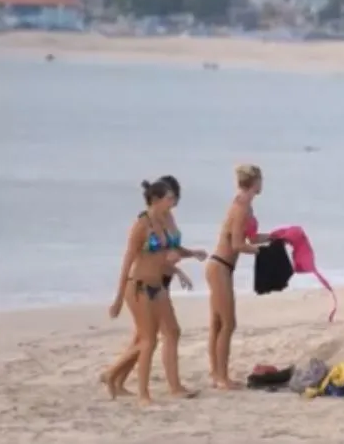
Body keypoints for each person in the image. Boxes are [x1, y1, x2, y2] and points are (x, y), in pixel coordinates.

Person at [103, 175, 207, 398]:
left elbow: (169, 252)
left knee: (169, 332)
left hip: (159, 284)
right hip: (138, 286)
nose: (174, 202)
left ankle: (119, 376)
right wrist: (118, 299)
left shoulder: (166, 219)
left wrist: (189, 255)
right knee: (147, 340)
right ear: (156, 199)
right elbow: (128, 261)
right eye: (170, 198)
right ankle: (136, 389)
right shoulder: (142, 225)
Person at [206, 164, 270, 389]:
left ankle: (216, 374)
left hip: (224, 267)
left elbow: (250, 238)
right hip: (220, 265)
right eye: (261, 179)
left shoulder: (247, 205)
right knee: (228, 323)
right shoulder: (242, 205)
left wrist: (275, 237)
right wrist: (260, 252)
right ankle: (222, 377)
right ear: (255, 181)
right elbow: (237, 244)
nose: (263, 184)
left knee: (217, 323)